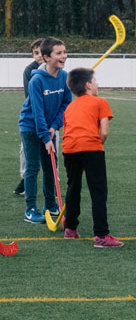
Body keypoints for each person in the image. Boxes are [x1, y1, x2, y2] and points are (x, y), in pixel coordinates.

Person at [62, 68, 123, 247]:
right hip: (91, 148)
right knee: (98, 191)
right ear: (88, 85)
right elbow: (103, 132)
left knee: (73, 186)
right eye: (95, 81)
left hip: (69, 148)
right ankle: (101, 235)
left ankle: (70, 228)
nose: (97, 84)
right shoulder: (100, 102)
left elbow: (68, 130)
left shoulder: (70, 107)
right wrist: (96, 147)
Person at [19, 37, 72, 224]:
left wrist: (54, 126)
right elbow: (37, 111)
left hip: (49, 128)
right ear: (47, 57)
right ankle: (30, 210)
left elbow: (66, 104)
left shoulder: (65, 77)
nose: (64, 56)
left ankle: (50, 205)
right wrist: (45, 136)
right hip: (31, 128)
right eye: (59, 53)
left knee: (50, 167)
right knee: (33, 167)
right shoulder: (36, 81)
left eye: (64, 52)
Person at [13, 38, 44, 196]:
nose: (39, 55)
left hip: (49, 118)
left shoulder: (55, 70)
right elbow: (29, 96)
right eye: (35, 53)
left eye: (41, 52)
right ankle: (25, 180)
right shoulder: (29, 70)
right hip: (32, 117)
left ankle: (53, 182)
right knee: (25, 151)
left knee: (51, 150)